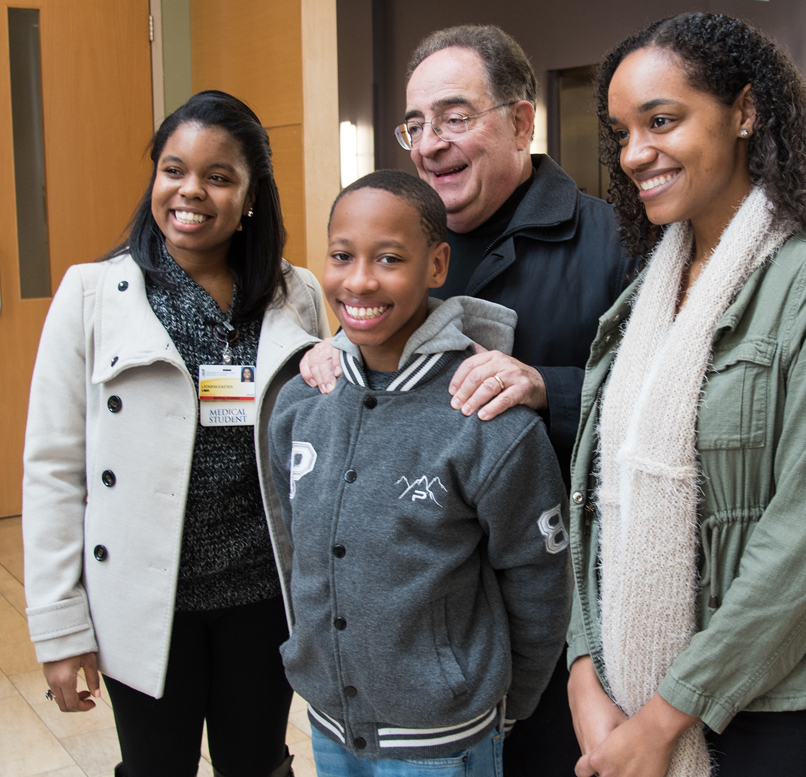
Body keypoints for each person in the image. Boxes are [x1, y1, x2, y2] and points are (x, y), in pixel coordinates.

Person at [301, 26, 632, 775]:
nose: (429, 143)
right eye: (415, 124)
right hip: (425, 642)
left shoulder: (610, 242)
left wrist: (551, 386)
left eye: (454, 117)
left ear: (521, 122)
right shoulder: (401, 236)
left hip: (566, 602)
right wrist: (334, 353)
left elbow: (670, 403)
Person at [566, 13, 806, 777]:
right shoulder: (644, 296)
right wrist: (581, 667)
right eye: (621, 133)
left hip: (780, 704)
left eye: (662, 121)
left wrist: (668, 713)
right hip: (626, 682)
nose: (636, 153)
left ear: (744, 111)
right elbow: (590, 498)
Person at [22, 90, 330, 777]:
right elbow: (52, 468)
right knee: (156, 765)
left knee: (257, 761)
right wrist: (61, 629)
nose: (190, 191)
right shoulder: (92, 294)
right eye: (173, 169)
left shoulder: (295, 292)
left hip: (263, 594)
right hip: (146, 599)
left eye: (218, 177)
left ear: (251, 195)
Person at [269, 169, 572, 777]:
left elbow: (541, 583)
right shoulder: (303, 401)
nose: (358, 280)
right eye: (341, 256)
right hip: (331, 724)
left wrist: (509, 706)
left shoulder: (486, 417)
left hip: (444, 739)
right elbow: (296, 547)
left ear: (437, 266)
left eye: (388, 259)